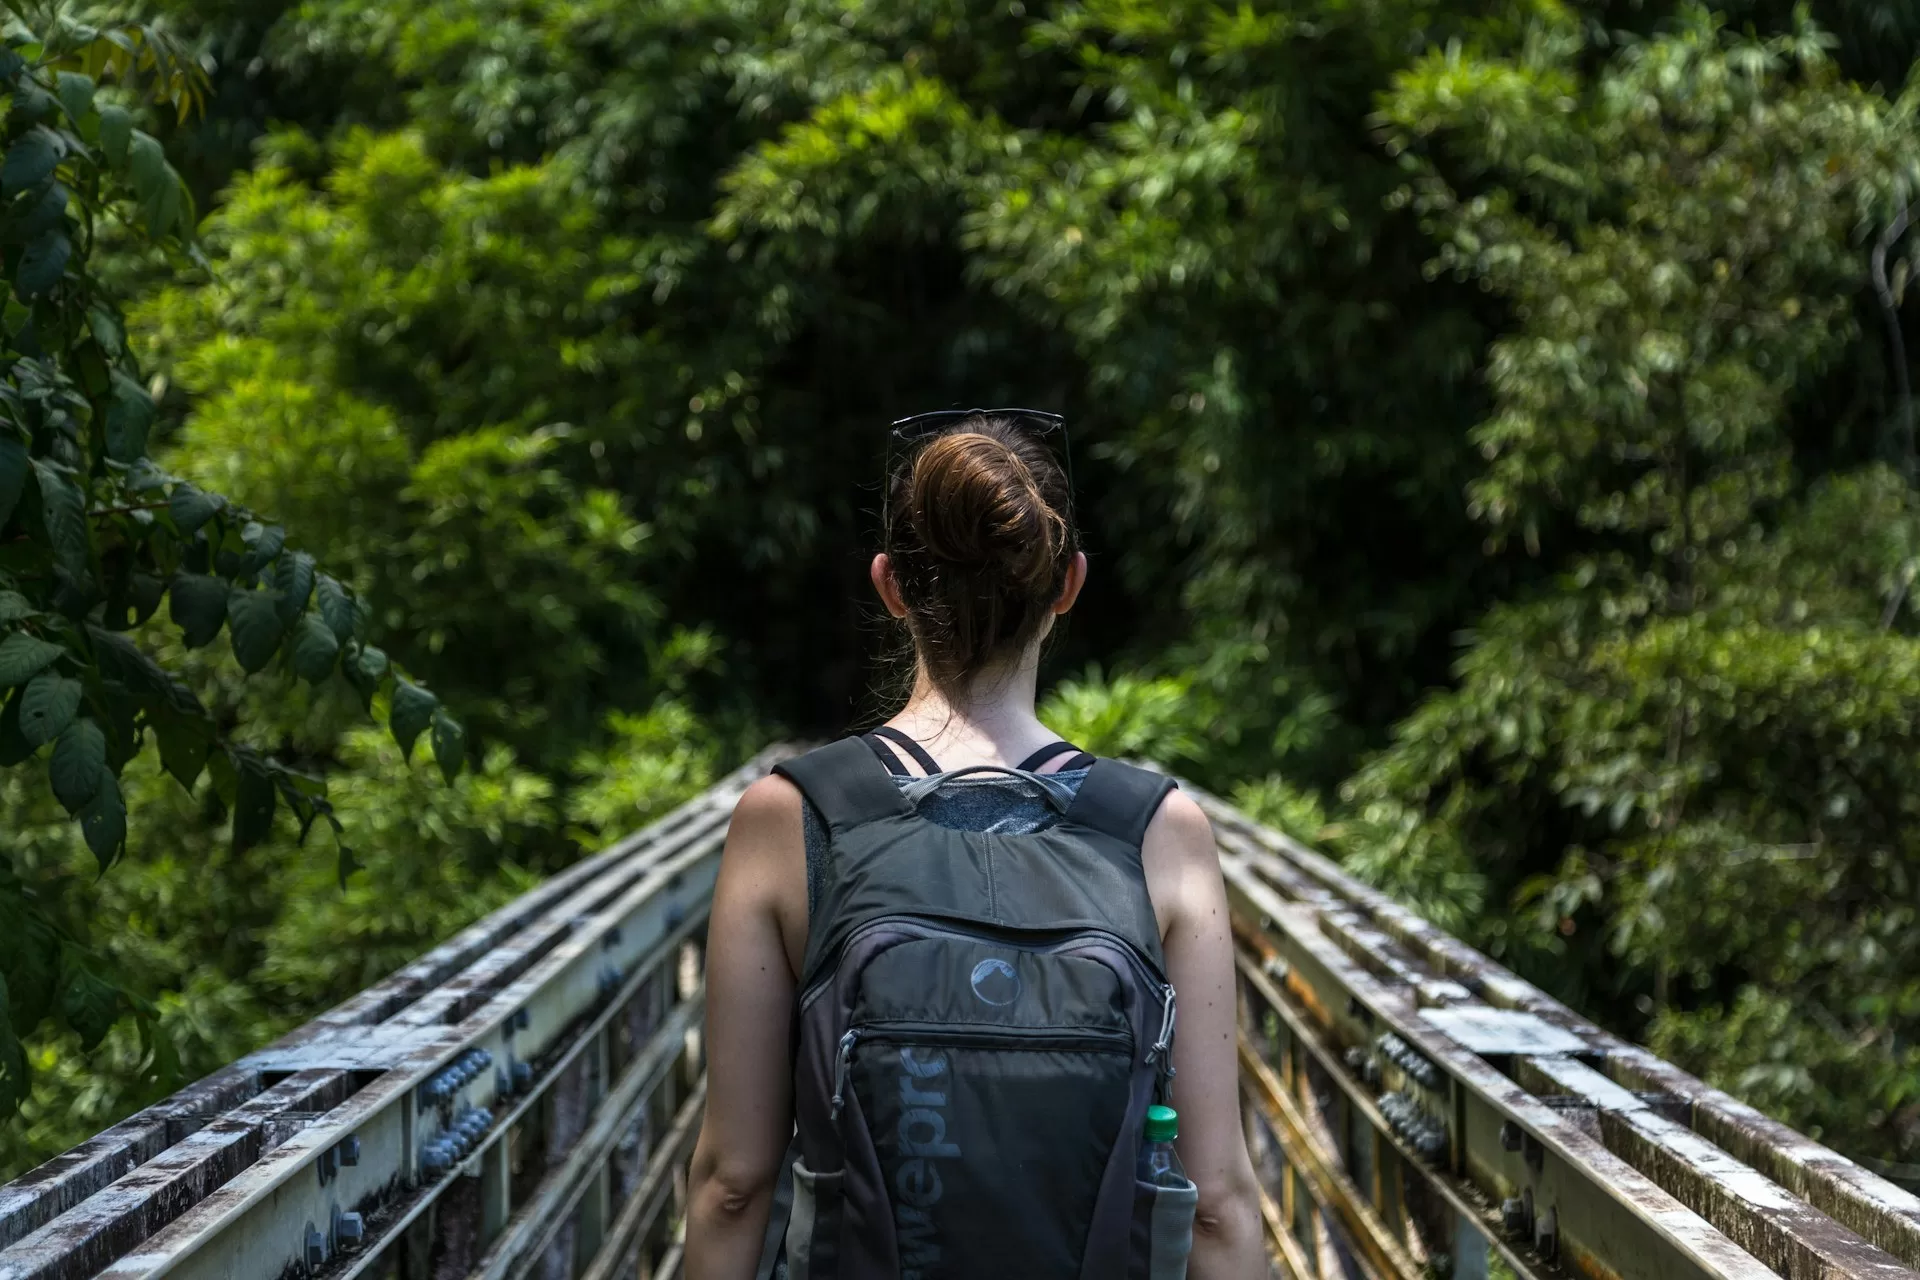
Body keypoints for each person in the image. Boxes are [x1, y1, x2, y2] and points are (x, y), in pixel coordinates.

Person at [686, 411, 1266, 1279]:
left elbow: (734, 1182)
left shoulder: (792, 816)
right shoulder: (1155, 829)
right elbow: (1216, 1199)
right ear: (1067, 584)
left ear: (891, 586)